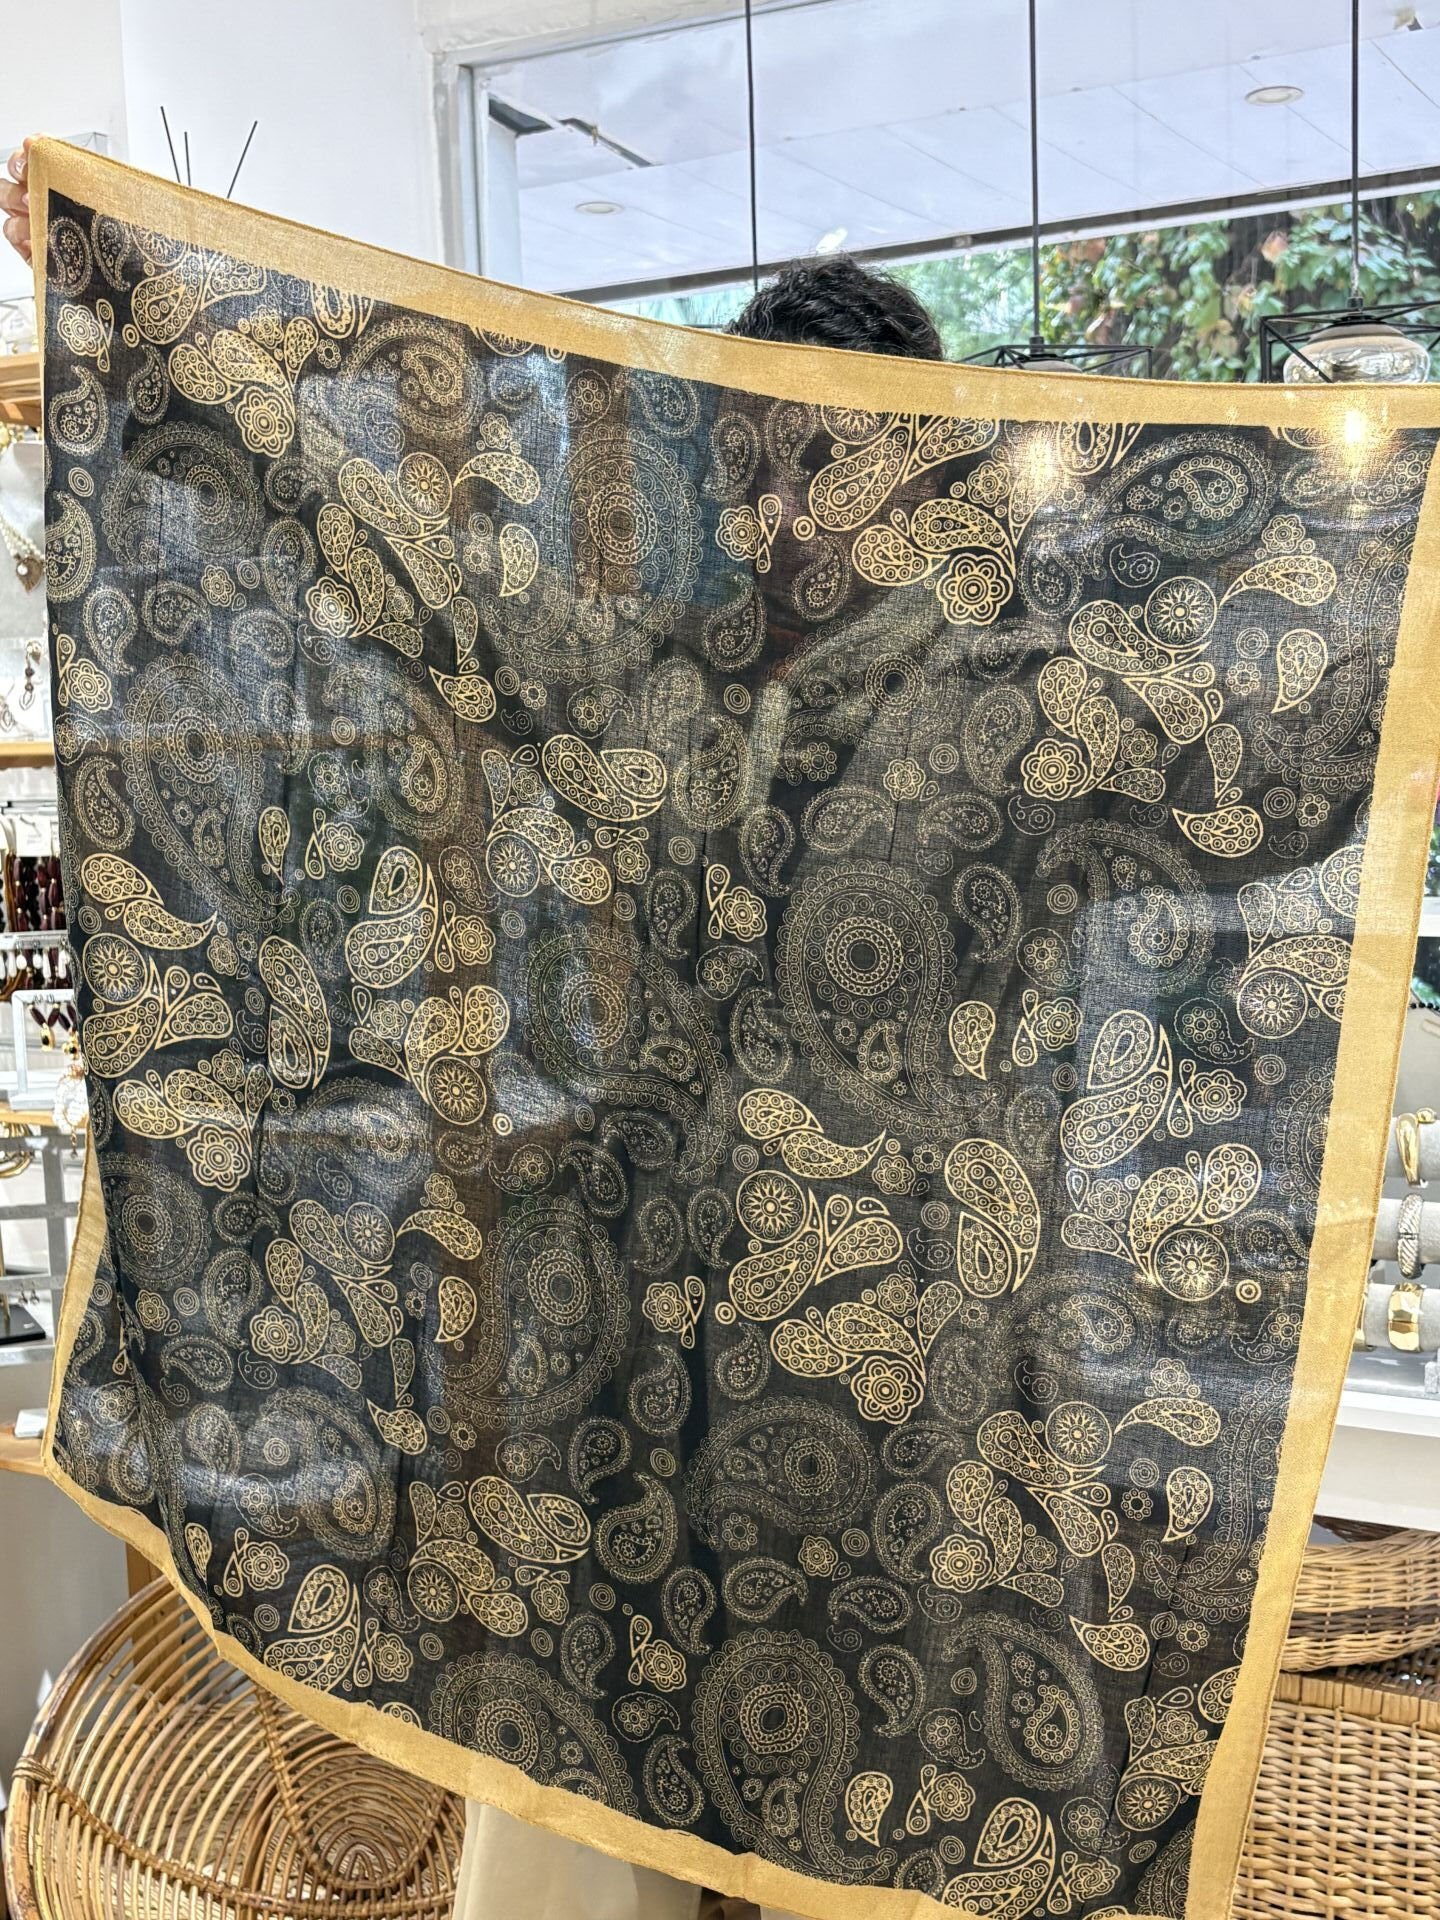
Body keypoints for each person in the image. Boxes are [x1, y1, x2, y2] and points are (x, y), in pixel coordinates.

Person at [2, 144, 943, 1920]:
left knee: (869, 1828)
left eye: (849, 462)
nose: (801, 512)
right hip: (635, 1382)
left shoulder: (995, 706)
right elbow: (391, 549)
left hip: (893, 1373)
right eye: (768, 460)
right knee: (593, 1825)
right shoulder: (648, 680)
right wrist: (155, 313)